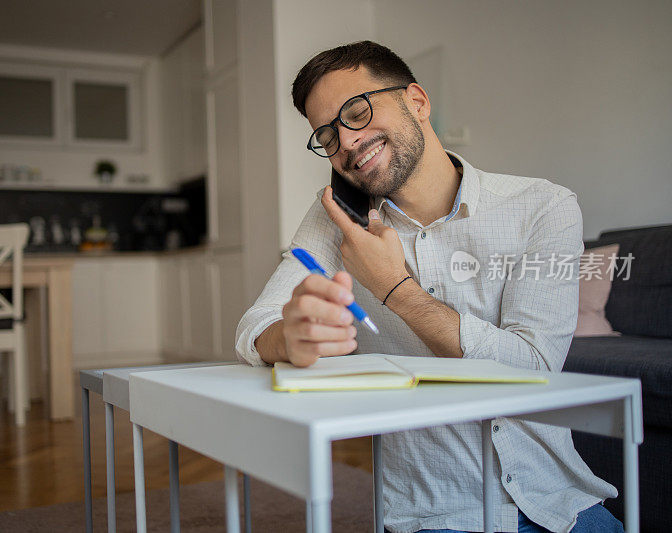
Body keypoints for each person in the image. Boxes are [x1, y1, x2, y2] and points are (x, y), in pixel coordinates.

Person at [235, 41, 623, 533]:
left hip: (561, 503)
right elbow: (255, 327)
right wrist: (288, 338)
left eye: (357, 111)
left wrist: (394, 288)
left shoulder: (542, 205)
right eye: (327, 135)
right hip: (433, 513)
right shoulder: (338, 218)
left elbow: (536, 369)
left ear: (417, 102)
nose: (347, 142)